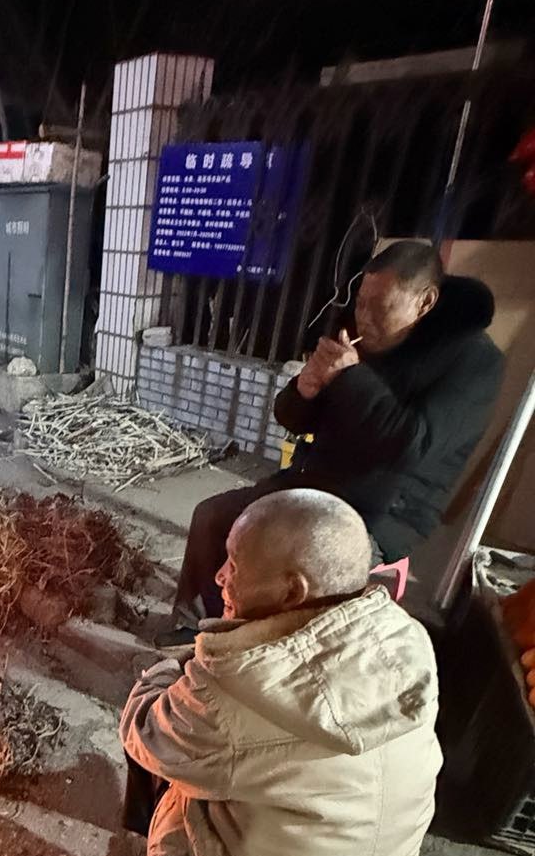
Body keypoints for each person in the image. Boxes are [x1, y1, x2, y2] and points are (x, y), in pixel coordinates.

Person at [122, 489, 441, 856]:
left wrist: (168, 670)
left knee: (163, 752)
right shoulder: (404, 636)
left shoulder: (233, 689)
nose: (219, 576)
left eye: (234, 563)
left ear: (293, 591)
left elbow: (143, 728)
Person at [174, 241, 504, 623]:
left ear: (424, 302)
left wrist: (350, 377)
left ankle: (258, 642)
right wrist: (304, 390)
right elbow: (295, 419)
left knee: (284, 560)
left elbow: (412, 444)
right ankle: (199, 626)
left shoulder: (472, 360)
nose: (364, 318)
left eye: (380, 307)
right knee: (213, 516)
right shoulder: (359, 338)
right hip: (313, 485)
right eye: (361, 303)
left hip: (381, 512)